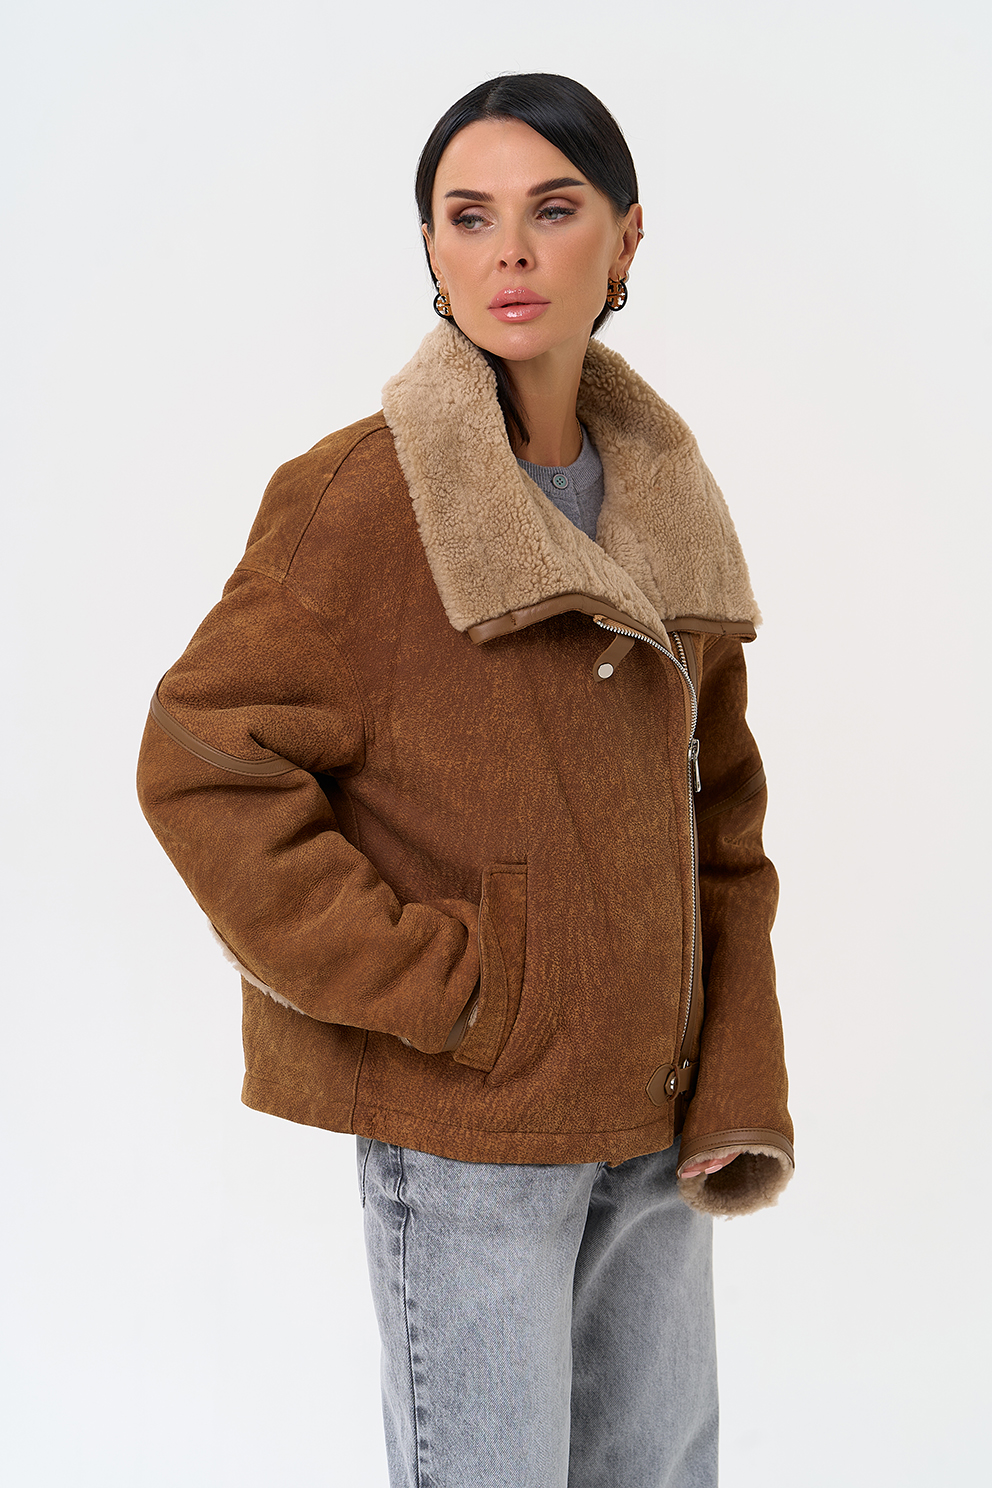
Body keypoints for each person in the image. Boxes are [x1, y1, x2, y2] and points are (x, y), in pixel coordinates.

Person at [137, 72, 793, 1488]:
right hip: (472, 1133)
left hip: (656, 1122)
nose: (510, 252)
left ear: (625, 238)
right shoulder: (366, 496)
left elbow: (722, 818)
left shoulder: (664, 492)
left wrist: (736, 1075)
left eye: (552, 210)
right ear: (430, 247)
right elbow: (203, 756)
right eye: (469, 215)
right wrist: (444, 987)